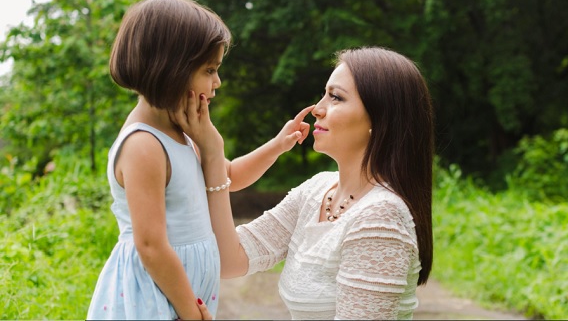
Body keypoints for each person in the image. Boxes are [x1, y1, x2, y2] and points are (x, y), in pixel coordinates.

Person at [87, 0, 312, 320]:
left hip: (182, 297)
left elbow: (230, 176)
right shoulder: (144, 145)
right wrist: (189, 311)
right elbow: (150, 246)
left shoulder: (185, 133)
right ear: (169, 68)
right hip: (154, 297)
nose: (217, 82)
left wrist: (278, 145)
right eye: (209, 70)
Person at [173, 46, 435, 320]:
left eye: (335, 98)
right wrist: (213, 154)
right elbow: (229, 259)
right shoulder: (317, 190)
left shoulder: (380, 218)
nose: (317, 110)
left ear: (380, 120)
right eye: (324, 94)